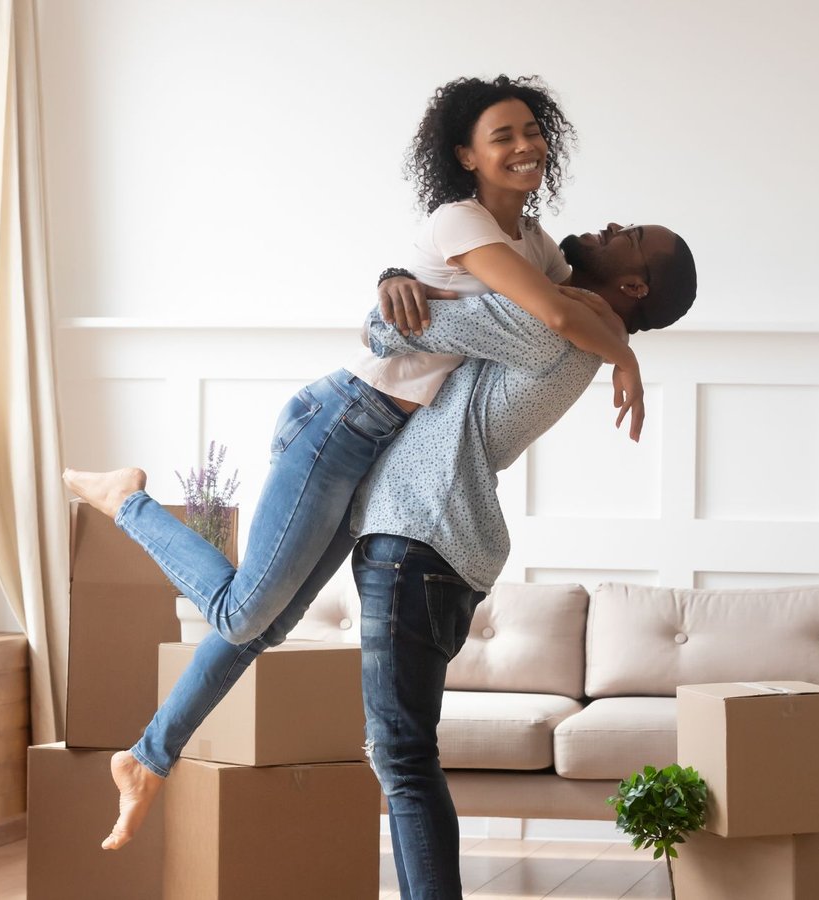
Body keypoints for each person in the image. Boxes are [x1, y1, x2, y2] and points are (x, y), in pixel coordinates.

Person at [61, 74, 648, 851]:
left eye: (532, 130)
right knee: (244, 614)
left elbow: (570, 304)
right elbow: (546, 320)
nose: (525, 145)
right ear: (466, 157)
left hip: (381, 452)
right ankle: (127, 499)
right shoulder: (459, 219)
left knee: (262, 627)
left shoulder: (535, 245)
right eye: (502, 135)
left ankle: (146, 758)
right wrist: (625, 360)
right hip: (341, 420)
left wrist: (600, 329)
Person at [354, 226, 697, 898]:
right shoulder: (571, 324)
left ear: (633, 287)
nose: (605, 228)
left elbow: (386, 329)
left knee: (402, 757)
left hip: (417, 537)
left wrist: (394, 287)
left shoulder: (551, 323)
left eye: (625, 237)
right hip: (433, 544)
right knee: (407, 755)